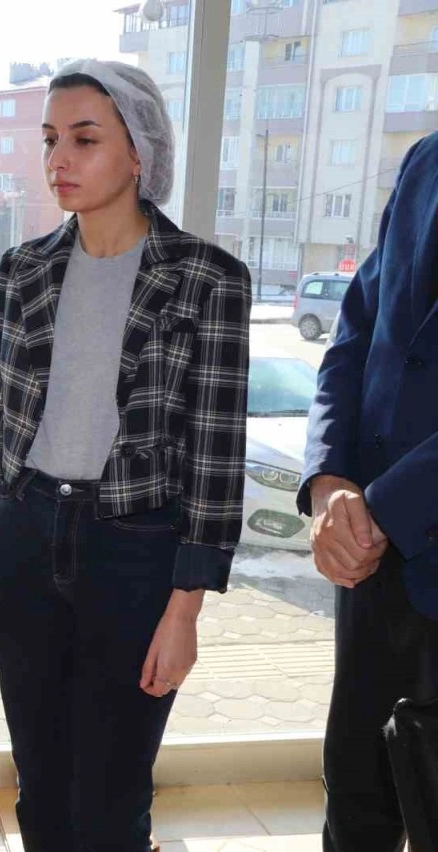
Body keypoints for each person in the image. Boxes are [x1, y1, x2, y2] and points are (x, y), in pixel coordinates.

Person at [0, 59, 251, 851]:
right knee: (42, 790)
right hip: (25, 539)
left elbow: (215, 457)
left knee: (112, 801)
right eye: (51, 139)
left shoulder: (208, 279)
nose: (59, 159)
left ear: (140, 151)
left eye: (85, 139)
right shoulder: (24, 270)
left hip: (136, 553)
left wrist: (185, 610)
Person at [299, 131, 438, 850]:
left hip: (390, 527)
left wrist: (384, 508)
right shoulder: (426, 159)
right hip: (371, 568)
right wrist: (329, 482)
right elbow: (356, 333)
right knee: (357, 801)